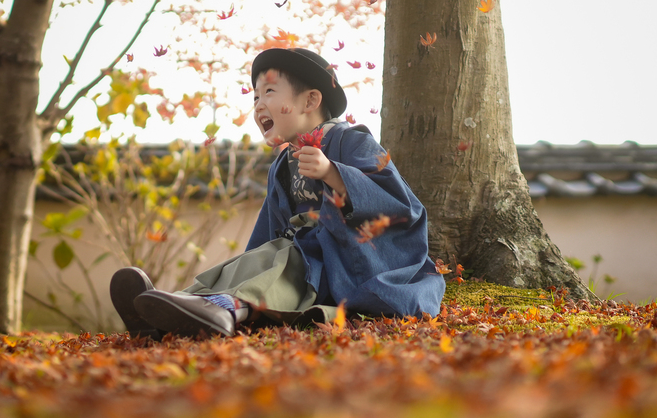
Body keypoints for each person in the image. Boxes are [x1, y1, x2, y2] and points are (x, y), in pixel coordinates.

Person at [109, 46, 444, 336]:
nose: (257, 105)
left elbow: (401, 205)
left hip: (350, 267)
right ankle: (180, 304)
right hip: (303, 263)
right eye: (254, 97)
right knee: (256, 260)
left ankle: (224, 308)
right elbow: (268, 237)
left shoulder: (351, 141)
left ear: (311, 100)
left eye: (269, 93)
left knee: (285, 259)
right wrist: (253, 261)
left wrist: (334, 174)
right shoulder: (282, 166)